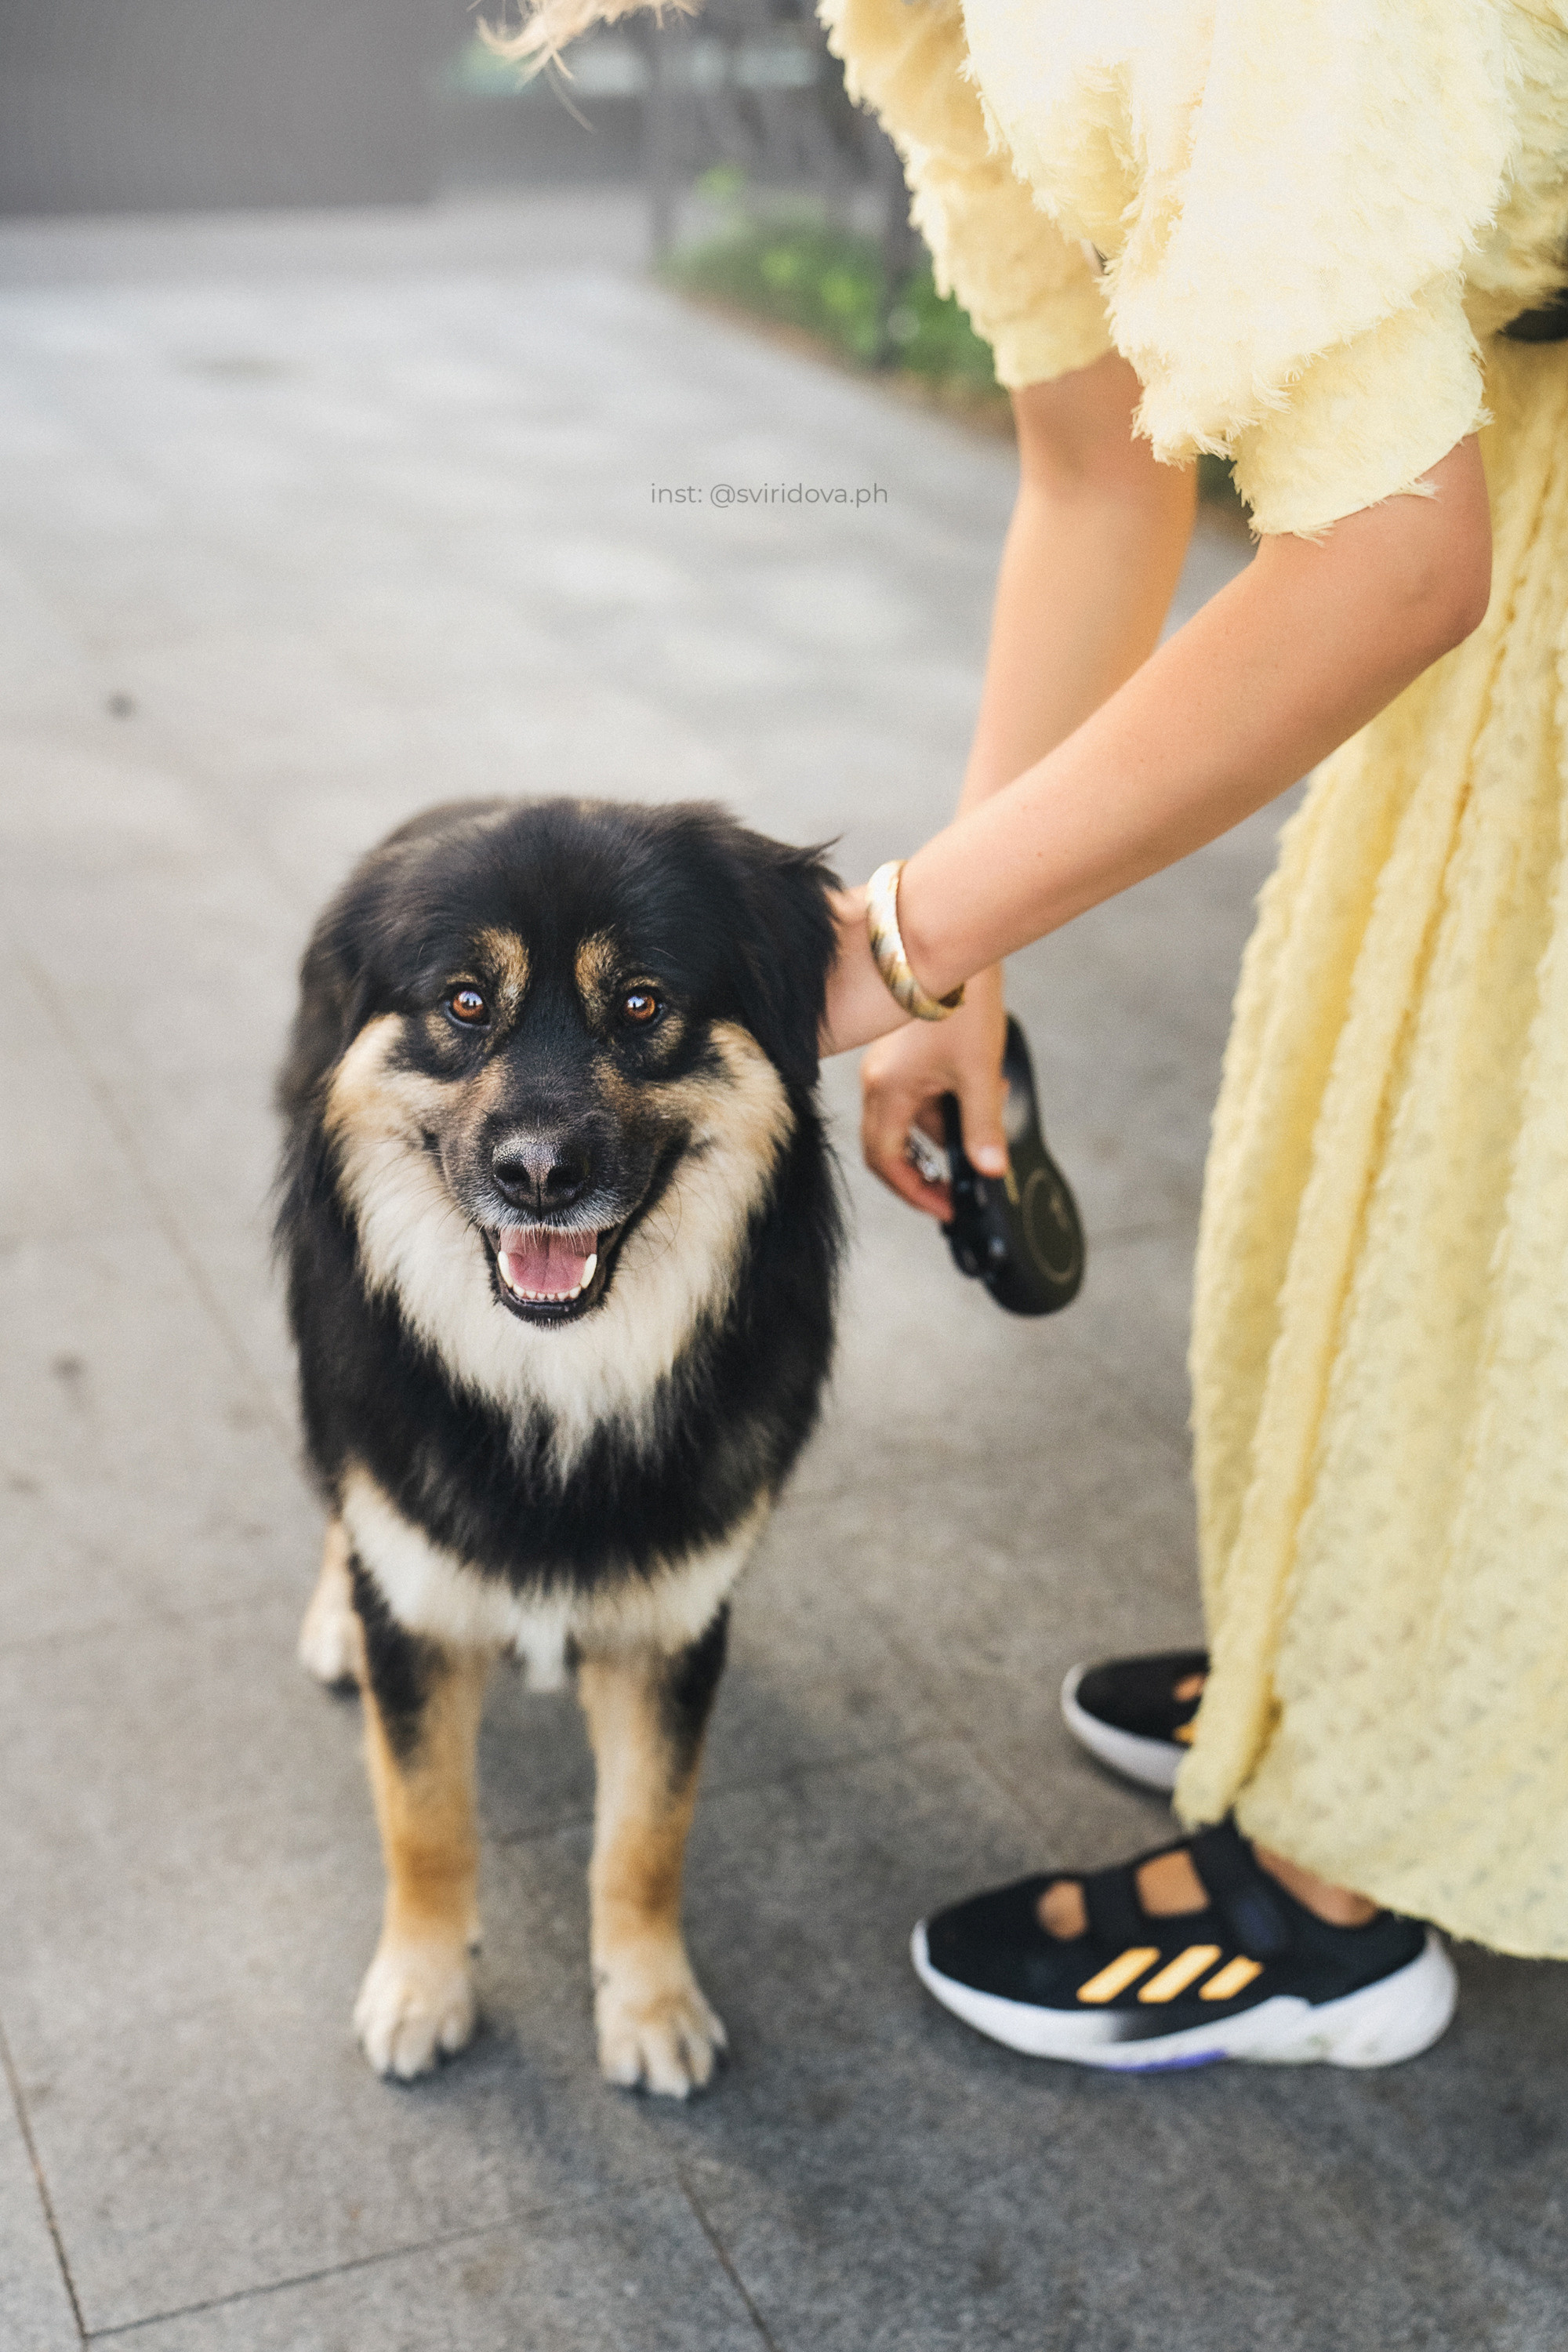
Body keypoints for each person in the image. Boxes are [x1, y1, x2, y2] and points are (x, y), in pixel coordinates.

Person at [807, 0, 1568, 2067]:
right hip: (1514, 500)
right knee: (1404, 1152)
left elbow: (1395, 558)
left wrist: (896, 931)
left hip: (1492, 539)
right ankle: (1378, 1689)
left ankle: (1334, 1902)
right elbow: (1093, 459)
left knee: (1509, 1199)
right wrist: (953, 970)